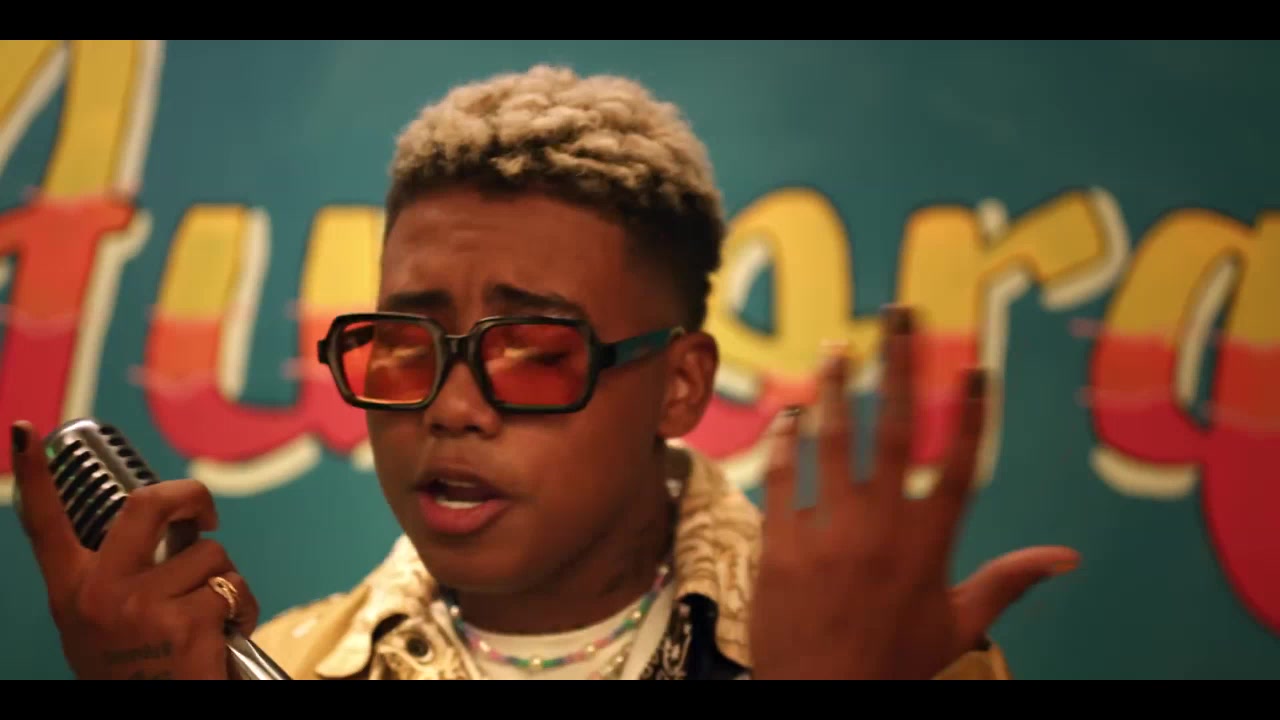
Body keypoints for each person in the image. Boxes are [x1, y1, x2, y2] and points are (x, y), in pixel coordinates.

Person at [10, 64, 1080, 681]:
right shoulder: (290, 661)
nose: (452, 408)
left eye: (532, 353)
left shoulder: (877, 658)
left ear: (680, 385)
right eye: (407, 345)